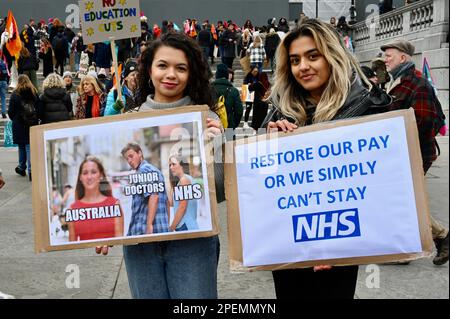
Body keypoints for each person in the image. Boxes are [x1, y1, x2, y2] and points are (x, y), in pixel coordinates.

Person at [264, 19, 392, 299]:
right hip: (290, 241)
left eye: (313, 56)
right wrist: (269, 140)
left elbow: (379, 188)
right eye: (295, 60)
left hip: (344, 240)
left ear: (331, 55)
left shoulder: (365, 107)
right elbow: (264, 184)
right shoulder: (279, 110)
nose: (303, 67)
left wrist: (340, 245)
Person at [96, 32, 222, 299]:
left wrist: (216, 150)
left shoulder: (207, 119)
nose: (171, 74)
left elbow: (220, 191)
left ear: (192, 74)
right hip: (141, 243)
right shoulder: (127, 120)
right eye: (163, 65)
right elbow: (119, 192)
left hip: (192, 242)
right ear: (149, 69)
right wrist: (105, 227)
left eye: (181, 68)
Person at [381, 39, 449, 265]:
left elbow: (425, 121)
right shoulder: (398, 82)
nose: (385, 60)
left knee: (404, 199)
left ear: (403, 57)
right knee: (404, 198)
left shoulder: (418, 83)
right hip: (402, 152)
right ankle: (429, 241)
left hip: (414, 152)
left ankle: (437, 238)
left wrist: (398, 144)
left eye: (389, 56)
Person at [68, 156, 124, 241]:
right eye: (85, 173)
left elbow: (120, 244)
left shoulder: (114, 205)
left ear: (101, 175)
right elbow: (71, 249)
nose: (89, 177)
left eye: (93, 172)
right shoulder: (72, 209)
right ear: (80, 177)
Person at [8, 75, 40, 181]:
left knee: (21, 146)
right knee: (28, 146)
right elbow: (39, 108)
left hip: (19, 123)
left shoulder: (15, 95)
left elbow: (11, 111)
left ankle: (22, 167)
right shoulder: (34, 92)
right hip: (31, 123)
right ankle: (31, 170)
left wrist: (15, 119)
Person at [167, 154, 199, 231]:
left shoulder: (184, 180)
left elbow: (182, 207)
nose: (171, 167)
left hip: (185, 225)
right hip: (184, 226)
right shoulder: (182, 181)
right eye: (170, 165)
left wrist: (172, 227)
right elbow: (171, 203)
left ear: (182, 166)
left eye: (174, 164)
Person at [212, 63, 243, 132]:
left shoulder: (209, 89)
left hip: (213, 126)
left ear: (217, 75)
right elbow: (239, 111)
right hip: (229, 127)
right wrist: (234, 124)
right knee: (230, 142)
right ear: (226, 75)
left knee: (216, 142)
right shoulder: (233, 91)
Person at [0, 49, 9, 118]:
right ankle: (4, 113)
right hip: (3, 81)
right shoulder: (3, 63)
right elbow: (7, 73)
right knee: (3, 98)